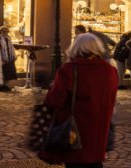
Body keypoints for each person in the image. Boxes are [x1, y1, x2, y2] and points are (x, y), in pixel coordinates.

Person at [38, 33, 117, 167]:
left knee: (77, 163)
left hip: (75, 129)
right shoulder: (110, 70)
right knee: (95, 162)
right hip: (100, 128)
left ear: (75, 48)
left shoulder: (69, 70)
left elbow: (55, 100)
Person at [0, 26, 15, 91]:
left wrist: (13, 56)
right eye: (4, 31)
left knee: (9, 74)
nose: (6, 33)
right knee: (1, 73)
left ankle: (5, 85)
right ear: (0, 31)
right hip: (1, 58)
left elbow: (11, 48)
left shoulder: (8, 38)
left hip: (9, 58)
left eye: (7, 31)